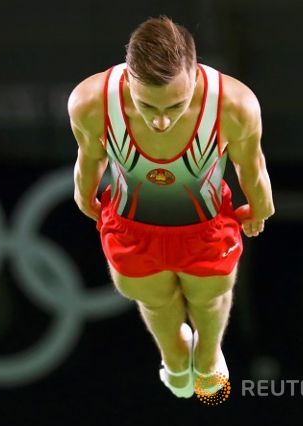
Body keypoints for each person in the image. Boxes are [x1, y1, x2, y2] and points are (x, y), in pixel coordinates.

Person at [67, 16, 274, 398]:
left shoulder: (234, 105)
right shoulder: (90, 102)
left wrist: (260, 207)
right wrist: (85, 195)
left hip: (206, 226)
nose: (161, 121)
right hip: (132, 225)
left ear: (195, 78)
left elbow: (252, 164)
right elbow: (89, 156)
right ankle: (174, 357)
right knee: (155, 301)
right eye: (148, 105)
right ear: (128, 81)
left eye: (175, 105)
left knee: (208, 298)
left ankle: (208, 357)